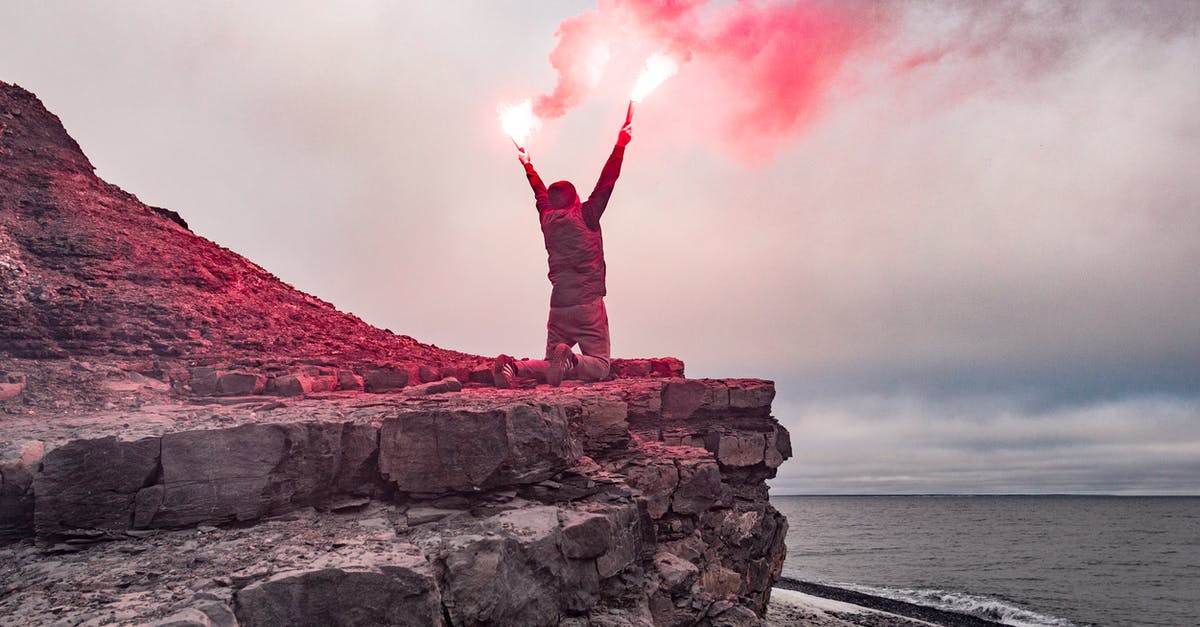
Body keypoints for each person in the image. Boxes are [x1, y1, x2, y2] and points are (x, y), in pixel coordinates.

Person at [494, 119, 633, 388]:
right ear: (574, 198)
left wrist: (527, 164)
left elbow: (539, 192)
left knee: (549, 364)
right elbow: (608, 181)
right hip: (588, 304)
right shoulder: (587, 214)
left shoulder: (546, 217)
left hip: (559, 304)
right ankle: (572, 360)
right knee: (600, 365)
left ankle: (514, 367)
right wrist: (620, 145)